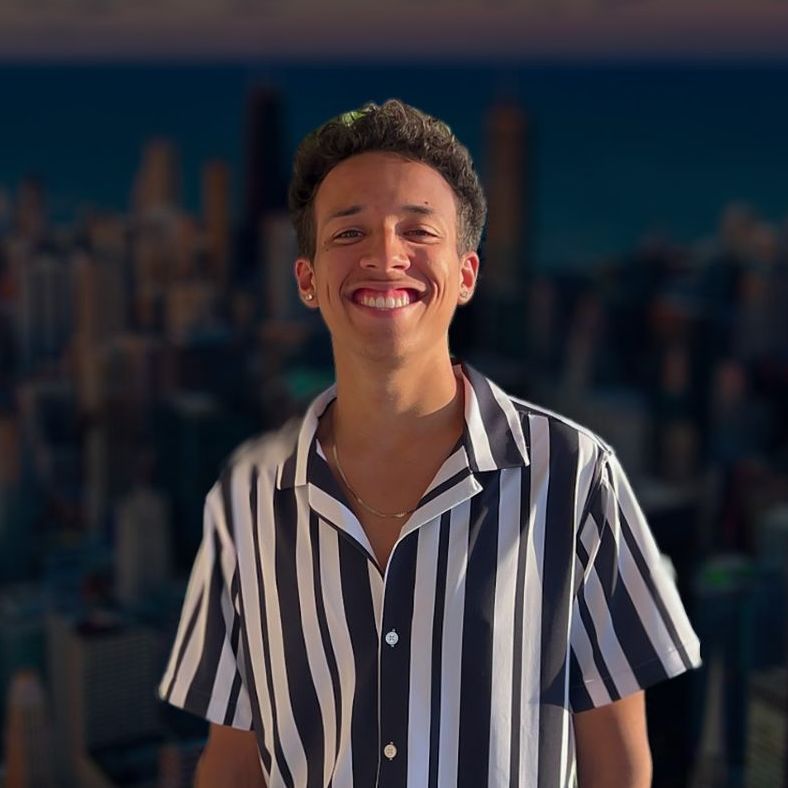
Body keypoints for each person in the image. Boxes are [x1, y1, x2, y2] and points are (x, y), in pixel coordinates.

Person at [158, 99, 701, 787]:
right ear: (307, 280)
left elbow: (618, 764)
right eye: (349, 233)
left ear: (467, 275)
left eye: (418, 230)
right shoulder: (245, 501)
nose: (386, 256)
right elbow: (232, 762)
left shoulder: (577, 478)